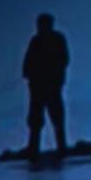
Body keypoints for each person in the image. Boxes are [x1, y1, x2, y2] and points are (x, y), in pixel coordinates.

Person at [22, 13, 70, 159]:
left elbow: (64, 59)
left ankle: (61, 148)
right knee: (36, 120)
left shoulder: (57, 39)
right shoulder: (36, 41)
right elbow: (27, 63)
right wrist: (29, 72)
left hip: (52, 86)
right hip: (38, 87)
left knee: (56, 118)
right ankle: (34, 149)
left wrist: (48, 72)